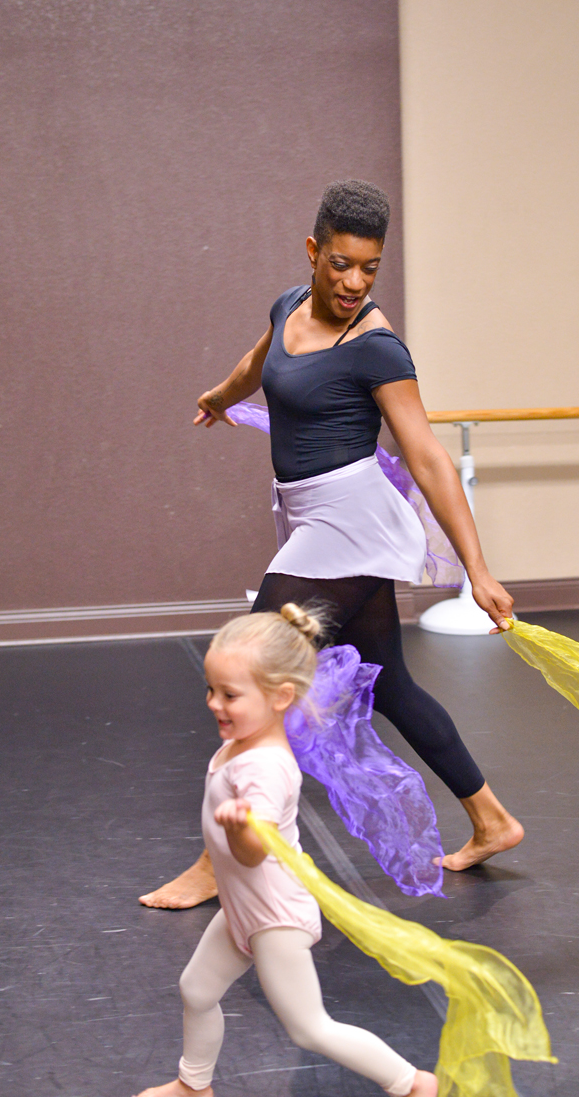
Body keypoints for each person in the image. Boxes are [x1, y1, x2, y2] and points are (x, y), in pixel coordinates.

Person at [140, 179, 522, 910]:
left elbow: (428, 457)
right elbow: (260, 364)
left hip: (348, 523)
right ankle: (492, 819)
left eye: (370, 268)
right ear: (314, 252)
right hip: (310, 514)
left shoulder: (376, 348)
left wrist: (477, 569)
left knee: (250, 667)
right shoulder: (289, 305)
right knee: (391, 683)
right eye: (341, 264)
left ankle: (217, 861)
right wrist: (221, 396)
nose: (354, 283)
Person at [133, 606, 438, 1097]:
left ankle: (414, 1084)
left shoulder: (265, 768)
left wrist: (239, 828)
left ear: (280, 697)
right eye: (211, 690)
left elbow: (253, 853)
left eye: (230, 695)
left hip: (275, 916)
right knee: (197, 990)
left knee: (310, 1029)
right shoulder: (242, 743)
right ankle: (193, 1086)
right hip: (243, 905)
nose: (215, 703)